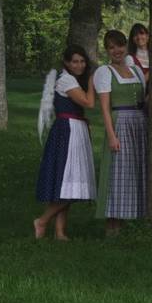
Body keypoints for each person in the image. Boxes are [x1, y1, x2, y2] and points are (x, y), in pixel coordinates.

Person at [34, 45, 97, 240]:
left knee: (68, 184)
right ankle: (42, 221)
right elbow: (89, 103)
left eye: (82, 61)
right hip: (68, 132)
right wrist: (92, 82)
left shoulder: (72, 79)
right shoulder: (66, 80)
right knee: (69, 183)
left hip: (75, 129)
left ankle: (60, 232)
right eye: (75, 61)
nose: (80, 65)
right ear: (67, 63)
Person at [93, 30, 147, 236]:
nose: (117, 50)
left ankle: (127, 219)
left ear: (126, 46)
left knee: (135, 170)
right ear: (107, 50)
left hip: (139, 123)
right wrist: (111, 135)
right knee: (117, 172)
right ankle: (112, 224)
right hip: (120, 123)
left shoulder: (136, 70)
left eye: (120, 45)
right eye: (111, 47)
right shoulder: (104, 72)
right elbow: (105, 108)